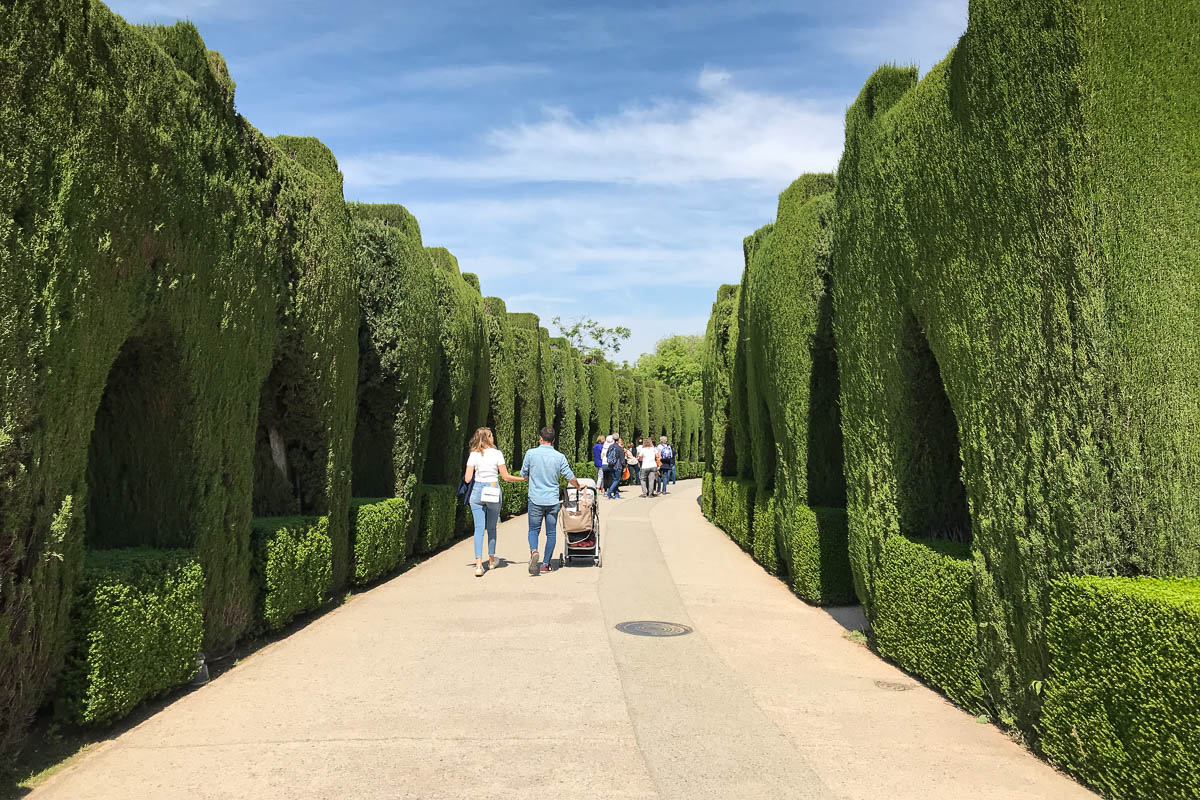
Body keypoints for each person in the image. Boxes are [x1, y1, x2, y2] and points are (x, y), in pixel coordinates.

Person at [463, 427, 525, 577]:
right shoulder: (497, 454)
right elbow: (505, 476)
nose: (493, 438)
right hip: (492, 490)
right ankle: (491, 560)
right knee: (491, 527)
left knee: (478, 529)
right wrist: (522, 478)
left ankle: (478, 565)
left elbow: (467, 479)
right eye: (491, 436)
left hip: (477, 492)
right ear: (487, 438)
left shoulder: (473, 455)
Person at [520, 426, 580, 574]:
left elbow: (523, 474)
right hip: (552, 500)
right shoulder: (559, 457)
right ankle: (546, 563)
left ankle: (534, 551)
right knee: (551, 533)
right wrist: (579, 486)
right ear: (553, 440)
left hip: (535, 499)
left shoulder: (530, 454)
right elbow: (570, 477)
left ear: (540, 438)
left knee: (533, 530)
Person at [604, 435, 624, 499]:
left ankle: (616, 495)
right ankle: (608, 492)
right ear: (618, 440)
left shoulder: (610, 446)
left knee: (614, 480)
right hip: (618, 466)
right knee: (617, 480)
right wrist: (624, 466)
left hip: (611, 465)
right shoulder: (619, 448)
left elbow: (607, 455)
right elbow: (622, 459)